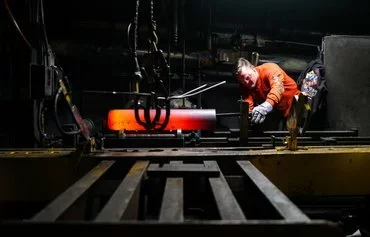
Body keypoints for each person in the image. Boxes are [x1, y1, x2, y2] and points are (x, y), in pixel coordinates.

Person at [234, 57, 301, 129]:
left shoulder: (270, 69)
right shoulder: (244, 85)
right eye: (242, 81)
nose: (246, 83)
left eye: (247, 77)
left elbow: (278, 87)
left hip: (297, 106)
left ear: (253, 68)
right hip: (280, 111)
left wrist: (265, 107)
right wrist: (248, 115)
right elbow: (248, 102)